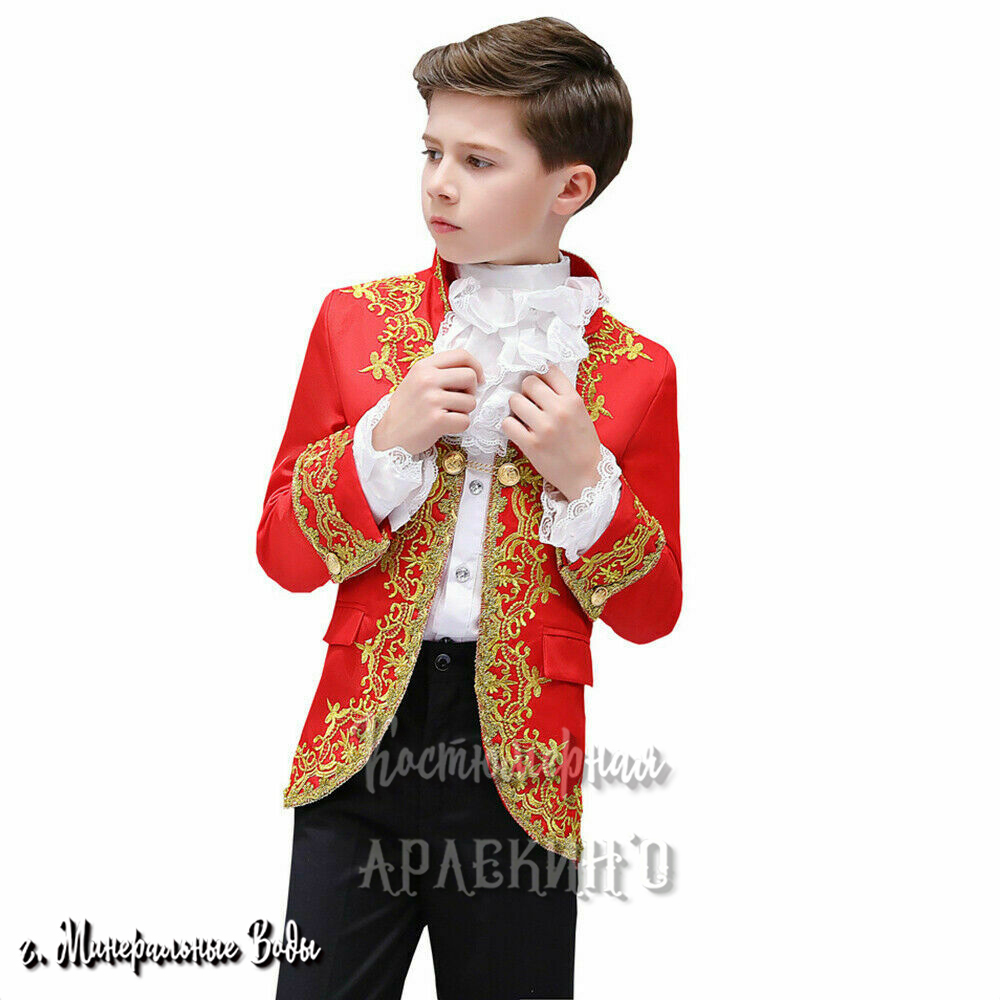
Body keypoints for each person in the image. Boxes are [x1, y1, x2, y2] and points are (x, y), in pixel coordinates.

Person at [256, 16, 683, 1000]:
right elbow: (281, 552)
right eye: (432, 152)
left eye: (479, 161)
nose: (440, 183)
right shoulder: (355, 322)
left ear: (569, 187)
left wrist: (586, 478)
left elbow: (652, 611)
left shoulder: (637, 371)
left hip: (520, 770)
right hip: (358, 746)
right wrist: (385, 440)